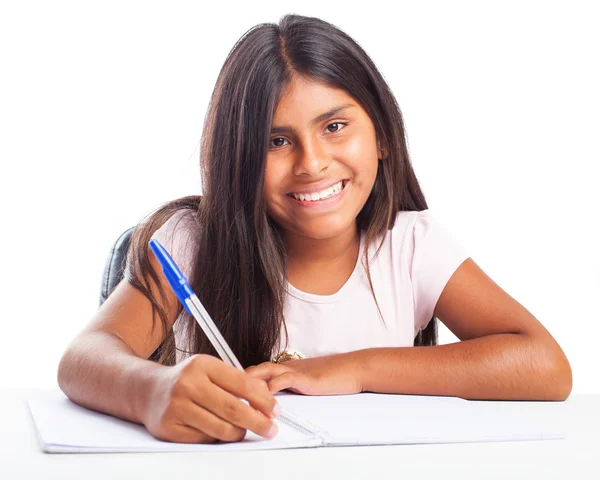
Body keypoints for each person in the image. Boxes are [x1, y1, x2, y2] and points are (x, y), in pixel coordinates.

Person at [57, 13, 572, 445]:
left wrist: (353, 369)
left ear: (382, 136)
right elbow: (84, 358)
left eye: (333, 127)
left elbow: (544, 364)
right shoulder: (191, 243)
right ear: (237, 160)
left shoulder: (409, 247)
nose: (312, 163)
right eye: (276, 141)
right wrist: (150, 391)